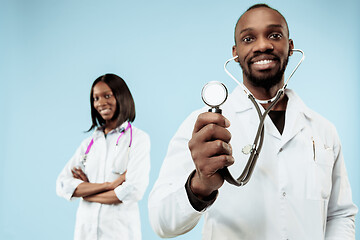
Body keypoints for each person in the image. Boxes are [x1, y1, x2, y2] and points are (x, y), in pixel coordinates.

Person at [148, 4, 357, 240]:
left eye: (274, 35)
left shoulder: (323, 130)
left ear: (290, 47)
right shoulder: (205, 127)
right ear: (235, 53)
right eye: (249, 38)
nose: (262, 45)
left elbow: (339, 215)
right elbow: (161, 222)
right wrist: (200, 186)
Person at [56, 73, 150, 240]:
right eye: (96, 98)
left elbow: (133, 191)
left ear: (122, 97)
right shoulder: (88, 144)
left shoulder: (138, 139)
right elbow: (63, 185)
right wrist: (110, 185)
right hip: (85, 233)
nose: (100, 103)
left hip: (119, 234)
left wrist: (86, 192)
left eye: (107, 96)